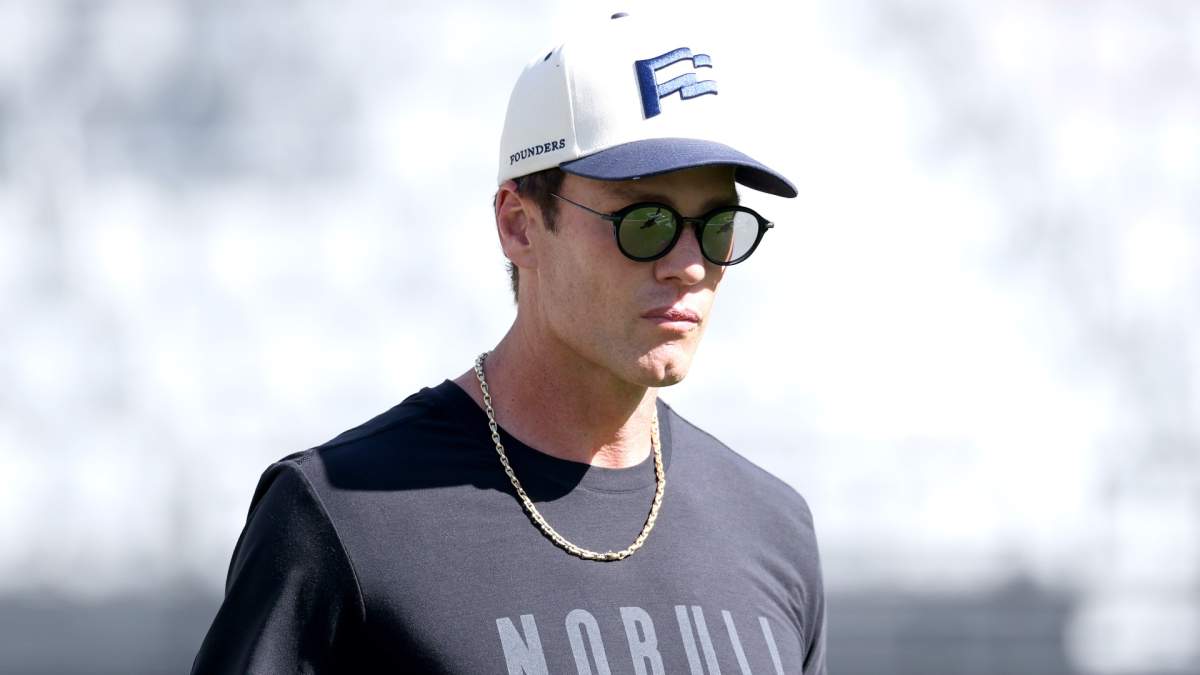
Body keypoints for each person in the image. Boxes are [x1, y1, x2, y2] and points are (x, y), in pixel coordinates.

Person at [191, 10, 827, 674]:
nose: (690, 265)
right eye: (646, 222)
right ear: (519, 225)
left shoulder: (772, 531)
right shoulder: (340, 516)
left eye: (719, 226)